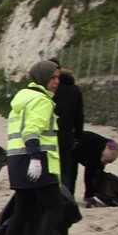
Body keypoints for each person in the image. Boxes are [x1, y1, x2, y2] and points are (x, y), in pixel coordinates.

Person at [0, 60, 64, 235]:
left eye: (58, 77)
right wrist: (35, 158)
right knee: (55, 205)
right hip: (36, 161)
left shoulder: (22, 100)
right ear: (42, 78)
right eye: (52, 77)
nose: (57, 81)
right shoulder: (41, 101)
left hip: (16, 161)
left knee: (23, 208)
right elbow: (31, 131)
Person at [49, 59, 84, 194]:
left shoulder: (48, 90)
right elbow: (79, 116)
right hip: (66, 136)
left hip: (48, 136)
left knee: (49, 170)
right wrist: (78, 136)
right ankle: (67, 199)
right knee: (66, 171)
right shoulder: (75, 90)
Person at [76, 131, 118, 206]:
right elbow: (88, 175)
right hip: (75, 145)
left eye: (109, 162)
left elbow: (97, 172)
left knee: (97, 172)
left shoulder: (107, 148)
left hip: (83, 143)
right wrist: (89, 195)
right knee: (71, 173)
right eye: (106, 161)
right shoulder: (95, 154)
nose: (106, 163)